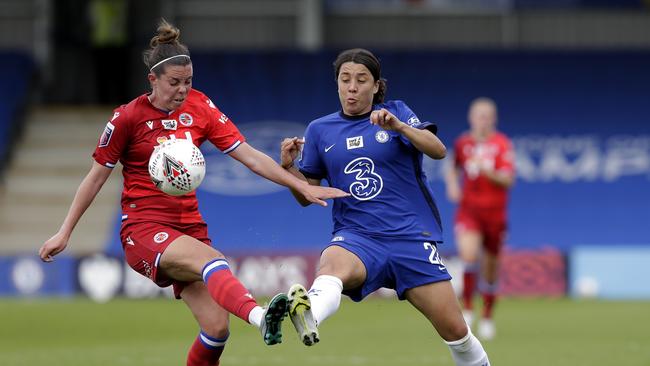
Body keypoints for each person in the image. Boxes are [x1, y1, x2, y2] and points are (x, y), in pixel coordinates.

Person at [38, 19, 347, 366]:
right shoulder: (126, 118)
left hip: (188, 227)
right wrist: (65, 232)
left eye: (188, 81)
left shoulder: (200, 107)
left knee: (216, 329)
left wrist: (300, 183)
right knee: (215, 262)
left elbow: (250, 158)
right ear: (152, 79)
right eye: (174, 82)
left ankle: (252, 322)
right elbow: (95, 178)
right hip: (143, 229)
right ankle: (262, 319)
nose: (183, 90)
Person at [280, 48, 490, 365]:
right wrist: (289, 171)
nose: (352, 87)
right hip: (359, 237)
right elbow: (309, 196)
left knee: (457, 333)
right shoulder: (320, 130)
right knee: (332, 264)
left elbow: (439, 150)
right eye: (345, 79)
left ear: (376, 85)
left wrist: (400, 128)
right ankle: (309, 312)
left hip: (411, 238)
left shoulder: (397, 112)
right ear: (336, 84)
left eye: (361, 80)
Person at [445, 97, 515, 340]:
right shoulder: (463, 143)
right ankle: (467, 309)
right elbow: (452, 167)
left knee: (491, 269)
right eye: (478, 116)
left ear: (493, 119)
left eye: (487, 116)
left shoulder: (502, 144)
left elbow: (508, 179)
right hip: (469, 211)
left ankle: (487, 316)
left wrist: (487, 171)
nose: (482, 120)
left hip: (495, 214)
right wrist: (453, 185)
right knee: (469, 255)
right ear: (471, 118)